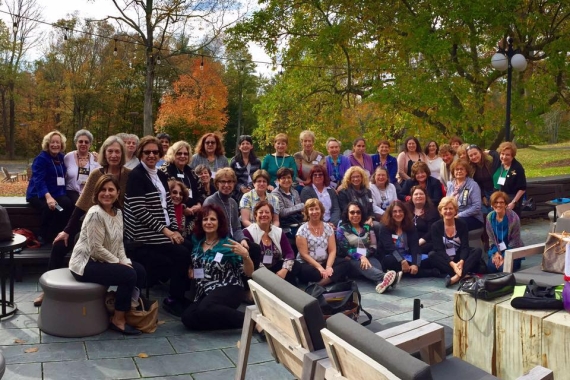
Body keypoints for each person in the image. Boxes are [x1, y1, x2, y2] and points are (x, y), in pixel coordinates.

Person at [34, 135, 132, 307]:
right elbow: (81, 205)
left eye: (117, 151)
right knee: (59, 244)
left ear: (122, 153)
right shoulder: (96, 174)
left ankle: (102, 295)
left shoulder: (128, 176)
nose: (114, 155)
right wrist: (66, 230)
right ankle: (47, 292)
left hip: (114, 226)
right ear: (104, 153)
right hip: (90, 222)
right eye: (110, 151)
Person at [68, 175, 146, 335]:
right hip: (85, 264)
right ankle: (118, 320)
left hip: (103, 260)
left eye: (111, 189)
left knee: (139, 270)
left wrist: (125, 260)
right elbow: (96, 249)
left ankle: (126, 308)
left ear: (118, 193)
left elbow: (118, 244)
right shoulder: (96, 213)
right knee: (128, 275)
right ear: (96, 193)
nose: (107, 193)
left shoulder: (117, 213)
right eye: (103, 190)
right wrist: (119, 262)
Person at [123, 136, 191, 317]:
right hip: (143, 235)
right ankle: (172, 300)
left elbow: (169, 204)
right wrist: (167, 231)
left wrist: (176, 229)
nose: (151, 155)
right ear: (140, 154)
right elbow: (140, 212)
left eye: (155, 152)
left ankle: (181, 294)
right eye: (147, 152)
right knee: (181, 253)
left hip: (162, 231)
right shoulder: (136, 176)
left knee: (189, 246)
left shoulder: (160, 174)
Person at [181, 205, 254, 330]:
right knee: (188, 318)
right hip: (205, 290)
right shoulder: (197, 242)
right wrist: (191, 267)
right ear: (201, 222)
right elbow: (196, 261)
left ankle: (254, 323)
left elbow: (248, 272)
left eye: (213, 219)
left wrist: (245, 256)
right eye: (205, 219)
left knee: (205, 309)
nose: (208, 222)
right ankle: (223, 317)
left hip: (229, 287)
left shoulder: (227, 244)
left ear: (219, 223)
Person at [335, 202, 397, 293]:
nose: (355, 215)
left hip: (369, 256)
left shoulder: (367, 227)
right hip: (351, 259)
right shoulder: (341, 230)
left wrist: (364, 255)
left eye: (358, 212)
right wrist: (360, 256)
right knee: (365, 265)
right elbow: (346, 249)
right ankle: (386, 277)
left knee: (376, 267)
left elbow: (373, 246)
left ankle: (382, 284)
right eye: (352, 212)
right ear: (347, 214)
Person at [26, 130, 73, 244]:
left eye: (58, 142)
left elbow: (76, 157)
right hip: (38, 193)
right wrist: (48, 197)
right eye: (52, 142)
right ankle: (42, 235)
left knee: (67, 203)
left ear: (61, 145)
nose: (55, 145)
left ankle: (63, 233)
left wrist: (92, 155)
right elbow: (38, 180)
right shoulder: (41, 159)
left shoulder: (61, 157)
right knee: (50, 207)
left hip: (56, 192)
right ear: (47, 144)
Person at [429, 196, 482, 287]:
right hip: (446, 259)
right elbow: (439, 250)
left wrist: (461, 261)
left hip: (459, 257)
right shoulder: (436, 226)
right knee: (432, 255)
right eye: (445, 209)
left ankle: (456, 277)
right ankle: (463, 275)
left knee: (477, 250)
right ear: (441, 211)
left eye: (451, 208)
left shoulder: (462, 224)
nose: (448, 211)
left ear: (455, 210)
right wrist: (453, 264)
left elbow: (465, 246)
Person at [296, 198, 350, 285]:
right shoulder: (302, 230)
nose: (314, 212)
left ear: (321, 211)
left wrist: (328, 267)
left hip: (325, 261)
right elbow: (304, 254)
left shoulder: (328, 228)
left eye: (317, 209)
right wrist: (319, 267)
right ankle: (331, 278)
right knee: (312, 273)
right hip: (309, 264)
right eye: (311, 209)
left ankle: (319, 284)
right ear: (307, 212)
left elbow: (332, 250)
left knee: (345, 263)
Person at [244, 201, 299, 284]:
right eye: (260, 212)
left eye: (267, 212)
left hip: (275, 267)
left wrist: (284, 269)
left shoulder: (278, 231)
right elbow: (252, 259)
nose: (264, 215)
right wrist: (271, 276)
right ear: (255, 215)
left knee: (295, 266)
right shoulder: (247, 232)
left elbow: (289, 252)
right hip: (257, 270)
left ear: (271, 216)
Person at [380, 201, 439, 278]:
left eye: (400, 211)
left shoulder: (410, 226)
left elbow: (415, 246)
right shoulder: (385, 227)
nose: (398, 214)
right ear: (390, 214)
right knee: (391, 262)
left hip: (407, 256)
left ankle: (408, 271)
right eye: (395, 211)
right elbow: (389, 247)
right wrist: (402, 260)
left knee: (430, 259)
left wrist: (415, 264)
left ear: (404, 212)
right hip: (392, 256)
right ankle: (429, 272)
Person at [203, 168, 249, 248]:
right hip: (217, 242)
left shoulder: (233, 202)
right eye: (223, 182)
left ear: (234, 183)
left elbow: (236, 228)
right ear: (217, 184)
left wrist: (242, 239)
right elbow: (207, 229)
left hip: (232, 240)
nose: (226, 185)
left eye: (230, 182)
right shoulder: (210, 202)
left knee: (254, 248)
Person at [159, 141, 204, 216]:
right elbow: (163, 194)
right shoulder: (164, 170)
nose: (182, 156)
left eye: (185, 154)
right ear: (173, 154)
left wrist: (199, 205)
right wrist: (183, 208)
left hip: (194, 213)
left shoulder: (192, 172)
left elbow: (202, 192)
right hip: (172, 214)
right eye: (179, 153)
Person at [486, 191, 524, 273]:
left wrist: (504, 257)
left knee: (502, 268)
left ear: (506, 204)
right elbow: (491, 240)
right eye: (496, 202)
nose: (498, 205)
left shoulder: (513, 218)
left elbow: (515, 241)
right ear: (492, 204)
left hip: (512, 250)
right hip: (497, 250)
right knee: (491, 267)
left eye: (501, 202)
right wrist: (496, 254)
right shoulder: (489, 217)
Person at [64, 129, 100, 204]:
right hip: (71, 192)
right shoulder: (68, 157)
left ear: (90, 144)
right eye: (80, 141)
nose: (83, 144)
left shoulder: (95, 159)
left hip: (89, 192)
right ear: (76, 143)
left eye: (86, 142)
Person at [271, 167, 305, 247]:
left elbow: (300, 211)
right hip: (286, 226)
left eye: (289, 177)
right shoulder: (275, 194)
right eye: (283, 178)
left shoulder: (294, 191)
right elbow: (282, 212)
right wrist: (300, 206)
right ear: (278, 180)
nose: (286, 180)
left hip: (298, 222)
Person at [447, 159, 483, 230]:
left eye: (462, 169)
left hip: (473, 218)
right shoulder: (450, 185)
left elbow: (477, 207)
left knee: (456, 223)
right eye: (457, 169)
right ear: (453, 172)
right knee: (438, 224)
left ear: (466, 172)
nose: (459, 171)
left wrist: (459, 215)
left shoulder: (473, 185)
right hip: (453, 216)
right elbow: (446, 202)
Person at [492, 142, 526, 217]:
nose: (504, 157)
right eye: (502, 154)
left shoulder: (517, 168)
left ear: (512, 156)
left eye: (507, 155)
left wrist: (513, 202)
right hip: (497, 199)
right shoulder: (499, 164)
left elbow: (522, 189)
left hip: (511, 200)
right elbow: (492, 152)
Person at [407, 186, 440, 255]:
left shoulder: (433, 211)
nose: (418, 196)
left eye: (421, 194)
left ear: (425, 196)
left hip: (426, 241)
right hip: (409, 240)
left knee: (419, 250)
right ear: (412, 197)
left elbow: (431, 231)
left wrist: (419, 242)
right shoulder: (406, 210)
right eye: (416, 194)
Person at [467, 144, 499, 215]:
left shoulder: (490, 162)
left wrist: (489, 151)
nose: (474, 157)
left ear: (480, 152)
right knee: (485, 212)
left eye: (475, 153)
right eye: (471, 155)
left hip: (496, 190)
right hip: (484, 192)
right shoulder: (472, 168)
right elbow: (478, 183)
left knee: (494, 212)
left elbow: (497, 155)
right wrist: (483, 196)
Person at [230, 135, 261, 202]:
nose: (245, 145)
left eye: (247, 143)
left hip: (254, 192)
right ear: (239, 147)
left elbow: (259, 177)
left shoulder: (257, 162)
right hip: (237, 194)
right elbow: (231, 178)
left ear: (251, 146)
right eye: (243, 144)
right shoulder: (234, 161)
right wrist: (241, 188)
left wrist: (251, 187)